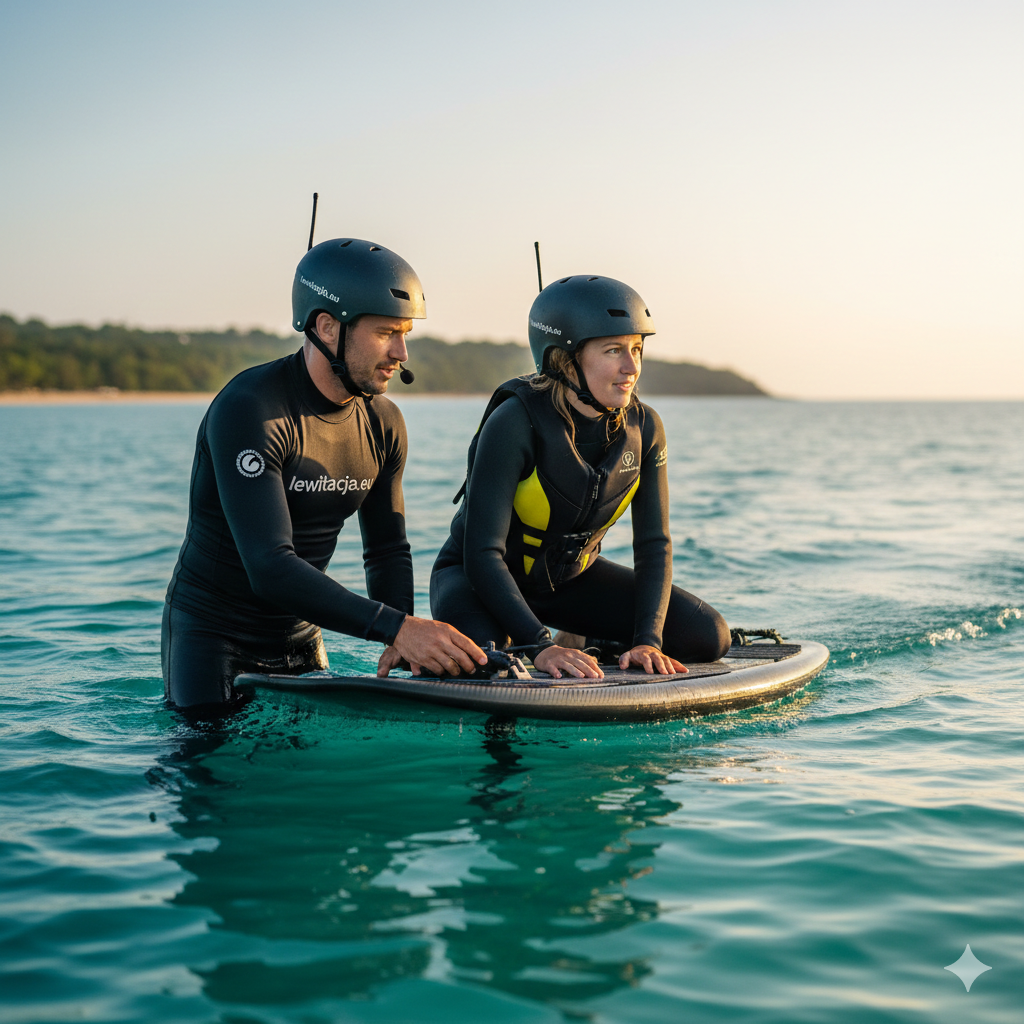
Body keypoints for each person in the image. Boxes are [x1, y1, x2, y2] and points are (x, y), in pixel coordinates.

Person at [162, 238, 486, 707]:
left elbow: (387, 550)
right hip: (215, 636)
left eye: (405, 334)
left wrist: (401, 640)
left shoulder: (383, 423)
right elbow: (270, 568)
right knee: (209, 754)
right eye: (385, 333)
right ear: (327, 327)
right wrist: (398, 626)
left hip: (301, 638)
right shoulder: (252, 409)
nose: (401, 352)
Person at [428, 274, 730, 680]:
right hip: (477, 583)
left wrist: (647, 640)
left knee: (708, 636)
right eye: (613, 350)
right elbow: (482, 554)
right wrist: (539, 646)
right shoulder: (515, 422)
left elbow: (654, 545)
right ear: (564, 359)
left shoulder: (645, 428)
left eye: (636, 349)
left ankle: (585, 637)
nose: (631, 367)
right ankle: (527, 637)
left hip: (569, 585)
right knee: (492, 662)